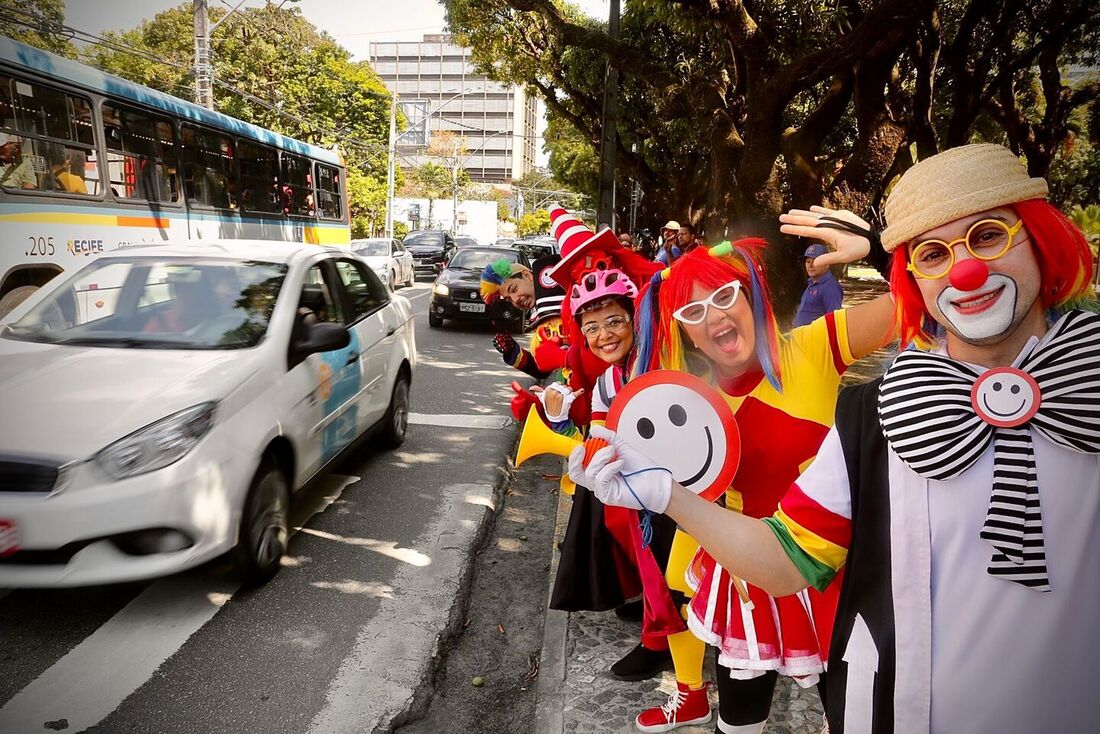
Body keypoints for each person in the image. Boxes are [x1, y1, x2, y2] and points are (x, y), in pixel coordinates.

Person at [571, 143, 1099, 733]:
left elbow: (922, 306)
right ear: (683, 330)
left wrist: (872, 254)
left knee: (842, 689)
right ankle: (694, 696)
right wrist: (649, 484)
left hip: (840, 566)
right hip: (760, 558)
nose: (716, 317)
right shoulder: (691, 399)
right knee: (746, 700)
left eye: (725, 297)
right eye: (694, 312)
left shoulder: (817, 347)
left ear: (752, 297)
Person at [792, 242, 844, 327]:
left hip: (814, 338)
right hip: (801, 337)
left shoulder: (830, 288)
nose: (810, 266)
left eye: (815, 261)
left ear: (827, 264)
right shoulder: (812, 283)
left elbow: (833, 322)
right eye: (808, 262)